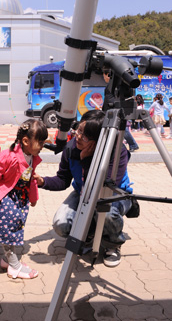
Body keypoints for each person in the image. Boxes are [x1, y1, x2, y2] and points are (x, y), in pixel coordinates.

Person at [33, 110, 133, 268]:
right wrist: (42, 181)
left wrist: (86, 160)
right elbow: (63, 179)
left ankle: (113, 244)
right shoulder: (71, 147)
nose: (78, 137)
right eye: (78, 130)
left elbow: (104, 185)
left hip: (112, 194)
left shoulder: (116, 151)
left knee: (106, 213)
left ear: (99, 139)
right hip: (83, 192)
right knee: (61, 224)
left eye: (85, 136)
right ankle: (90, 233)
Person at [0, 119, 48, 279]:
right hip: (6, 201)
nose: (42, 146)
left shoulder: (31, 155)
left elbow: (30, 177)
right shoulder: (9, 156)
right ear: (25, 141)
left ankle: (7, 259)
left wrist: (33, 197)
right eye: (40, 142)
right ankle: (14, 266)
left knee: (15, 230)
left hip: (19, 200)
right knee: (10, 233)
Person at [102, 70, 139, 152]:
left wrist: (106, 110)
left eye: (103, 75)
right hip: (115, 109)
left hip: (113, 110)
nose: (103, 78)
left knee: (122, 129)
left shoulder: (111, 86)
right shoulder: (113, 85)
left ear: (107, 75)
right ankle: (132, 144)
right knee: (120, 129)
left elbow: (109, 100)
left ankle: (133, 144)